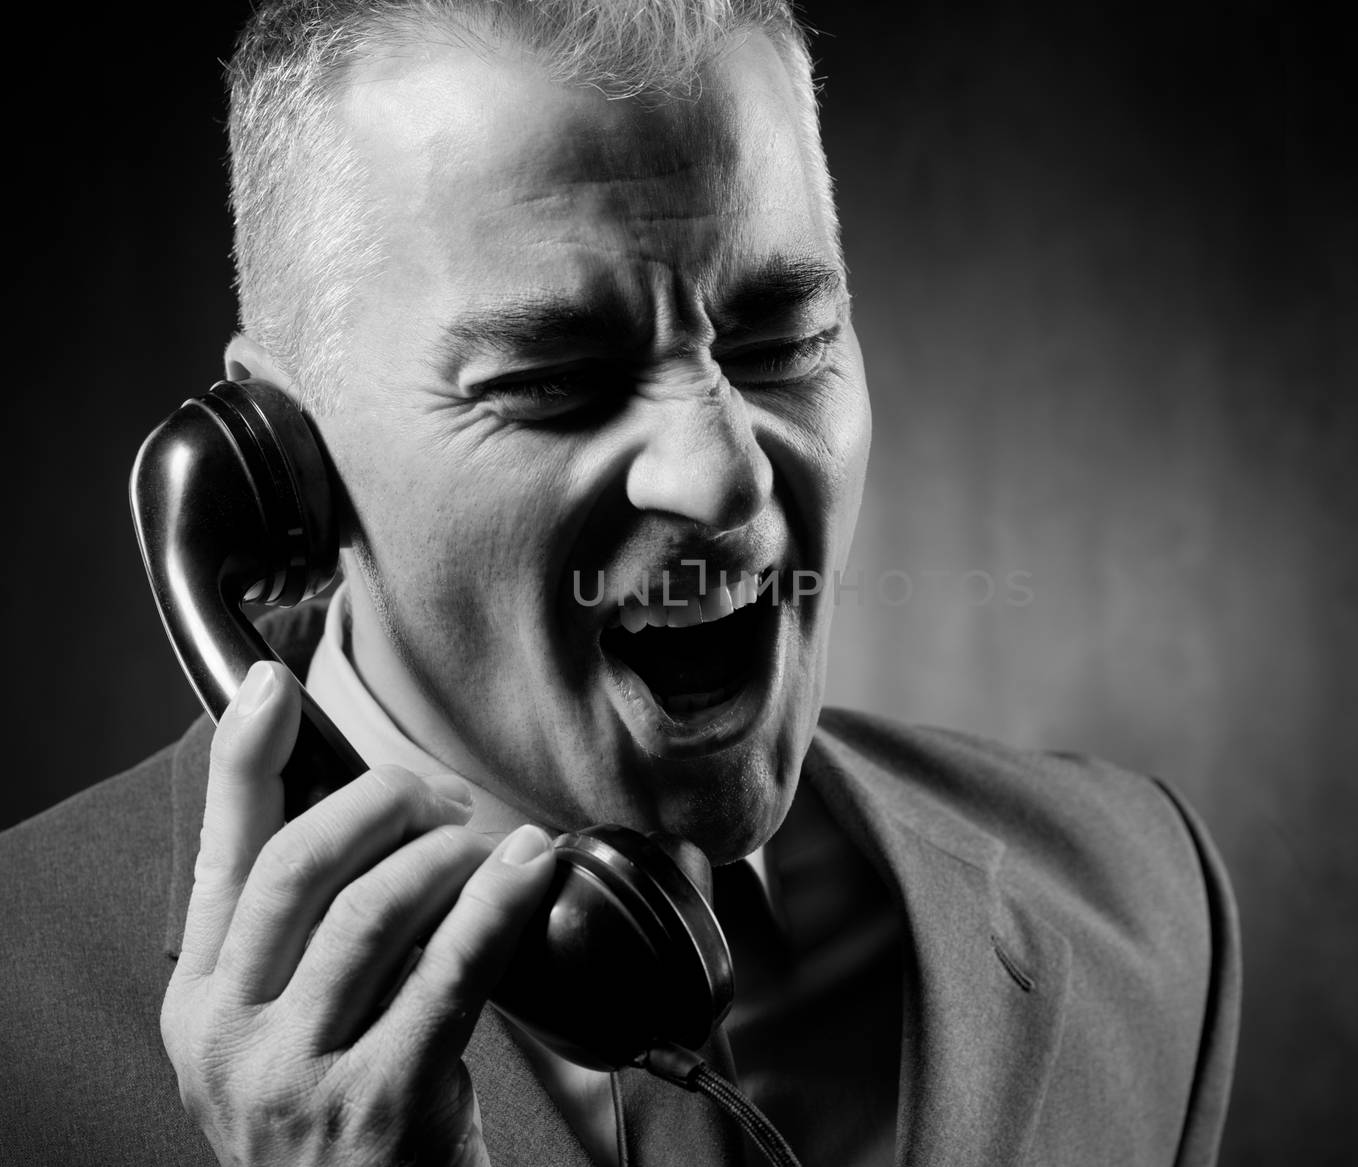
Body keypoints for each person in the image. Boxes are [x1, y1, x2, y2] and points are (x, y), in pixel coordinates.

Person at [0, 1, 1239, 1164]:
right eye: (553, 380)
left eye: (780, 343)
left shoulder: (1137, 902)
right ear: (284, 471)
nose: (720, 477)